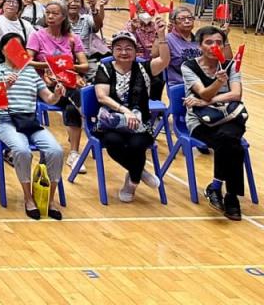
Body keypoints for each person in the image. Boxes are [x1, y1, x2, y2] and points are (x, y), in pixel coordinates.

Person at [0, 32, 68, 221]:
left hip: (30, 122)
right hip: (5, 121)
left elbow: (48, 98)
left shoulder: (30, 72)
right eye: (10, 45)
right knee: (22, 151)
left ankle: (49, 199)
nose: (15, 49)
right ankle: (28, 198)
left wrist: (57, 94)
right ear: (3, 50)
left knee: (56, 151)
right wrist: (5, 86)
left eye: (19, 46)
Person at [92, 30, 168, 203]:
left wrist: (162, 37)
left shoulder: (145, 68)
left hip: (140, 124)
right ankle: (139, 173)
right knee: (113, 142)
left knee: (137, 144)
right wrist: (125, 111)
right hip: (112, 122)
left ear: (136, 51)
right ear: (112, 51)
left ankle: (131, 183)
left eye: (128, 48)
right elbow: (101, 97)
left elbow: (164, 60)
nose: (124, 52)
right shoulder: (105, 68)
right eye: (119, 48)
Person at [182, 25, 248, 220]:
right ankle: (229, 196)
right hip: (200, 120)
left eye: (219, 42)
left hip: (230, 116)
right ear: (200, 45)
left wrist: (206, 101)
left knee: (227, 138)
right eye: (209, 42)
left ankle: (220, 188)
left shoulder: (231, 65)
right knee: (232, 144)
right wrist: (218, 84)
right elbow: (203, 92)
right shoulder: (189, 66)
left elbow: (236, 94)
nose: (214, 46)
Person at [27, 0, 89, 163]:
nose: (50, 16)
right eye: (48, 13)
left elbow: (85, 66)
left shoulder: (72, 38)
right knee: (74, 94)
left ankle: (74, 153)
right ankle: (87, 113)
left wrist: (67, 66)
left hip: (67, 83)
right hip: (46, 87)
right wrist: (49, 65)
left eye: (55, 13)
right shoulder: (37, 36)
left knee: (71, 107)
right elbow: (27, 61)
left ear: (63, 17)